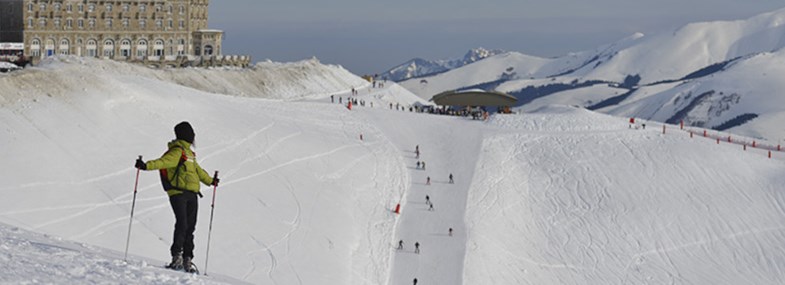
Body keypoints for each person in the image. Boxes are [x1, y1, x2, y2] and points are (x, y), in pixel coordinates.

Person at [135, 122, 219, 273]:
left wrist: (211, 181)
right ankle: (177, 257)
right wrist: (145, 165)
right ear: (186, 135)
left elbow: (198, 171)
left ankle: (188, 258)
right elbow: (163, 162)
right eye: (191, 133)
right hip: (178, 193)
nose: (193, 136)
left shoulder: (190, 155)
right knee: (182, 223)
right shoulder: (177, 151)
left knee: (190, 227)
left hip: (192, 194)